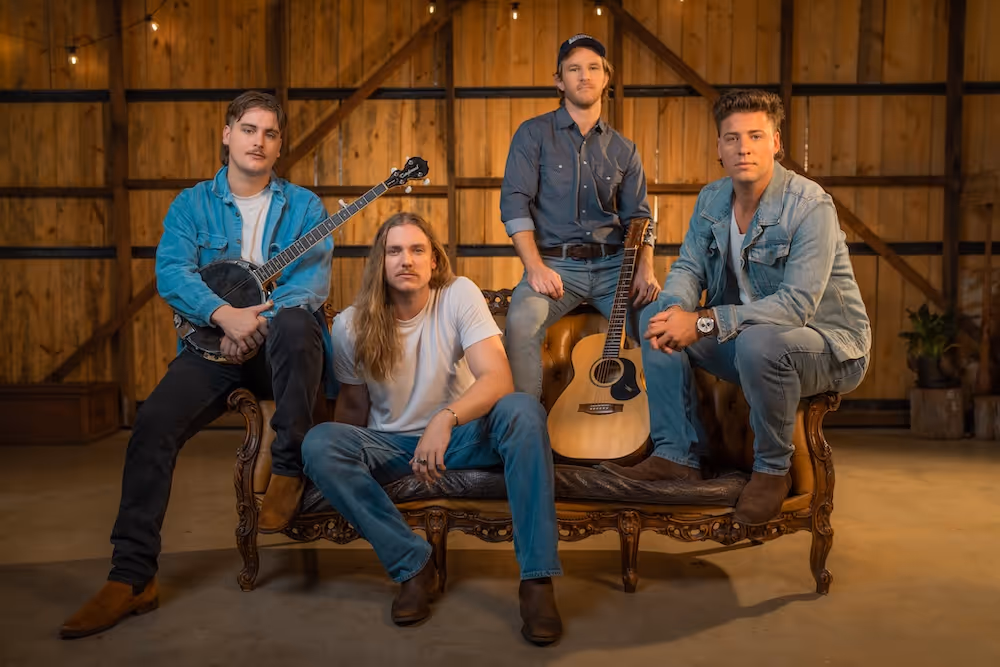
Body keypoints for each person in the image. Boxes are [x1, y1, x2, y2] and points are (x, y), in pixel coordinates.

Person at [60, 91, 334, 639]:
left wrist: (253, 325)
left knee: (297, 323)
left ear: (280, 145)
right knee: (152, 425)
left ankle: (288, 469)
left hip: (279, 350)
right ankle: (132, 578)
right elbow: (172, 273)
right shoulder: (191, 205)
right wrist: (223, 316)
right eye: (249, 129)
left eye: (271, 133)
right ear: (227, 134)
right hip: (212, 349)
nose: (259, 141)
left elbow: (310, 285)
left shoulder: (305, 207)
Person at [599, 89, 871, 525]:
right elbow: (688, 269)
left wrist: (704, 321)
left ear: (776, 143)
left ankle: (772, 470)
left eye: (755, 136)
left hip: (828, 346)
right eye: (732, 138)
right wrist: (675, 311)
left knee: (759, 343)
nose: (743, 147)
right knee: (656, 317)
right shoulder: (712, 200)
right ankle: (675, 456)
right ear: (719, 148)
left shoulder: (810, 205)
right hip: (745, 337)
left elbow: (796, 306)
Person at [301, 212, 563, 646]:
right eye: (395, 250)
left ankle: (537, 581)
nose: (406, 259)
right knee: (319, 443)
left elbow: (498, 379)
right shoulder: (351, 324)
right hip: (392, 447)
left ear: (434, 260)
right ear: (380, 261)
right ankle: (414, 566)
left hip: (461, 437)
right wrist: (337, 468)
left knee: (522, 409)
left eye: (417, 249)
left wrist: (445, 418)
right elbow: (353, 405)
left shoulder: (458, 294)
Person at [501, 33, 661, 398]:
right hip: (555, 268)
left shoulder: (624, 150)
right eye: (573, 69)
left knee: (660, 323)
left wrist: (645, 267)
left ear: (606, 78)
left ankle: (665, 429)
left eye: (593, 68)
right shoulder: (532, 135)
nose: (584, 76)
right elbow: (514, 204)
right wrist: (534, 267)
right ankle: (527, 427)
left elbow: (639, 217)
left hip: (615, 269)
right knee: (521, 323)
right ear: (559, 81)